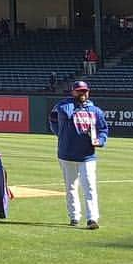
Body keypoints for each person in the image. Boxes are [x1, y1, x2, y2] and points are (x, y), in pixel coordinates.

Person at [49, 80, 109, 229]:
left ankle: (92, 218)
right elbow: (53, 120)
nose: (83, 93)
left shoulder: (95, 110)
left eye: (85, 91)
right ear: (73, 92)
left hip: (87, 155)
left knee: (89, 186)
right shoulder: (64, 106)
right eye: (80, 91)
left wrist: (100, 140)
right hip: (66, 154)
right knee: (71, 187)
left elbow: (103, 130)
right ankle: (74, 216)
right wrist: (61, 135)